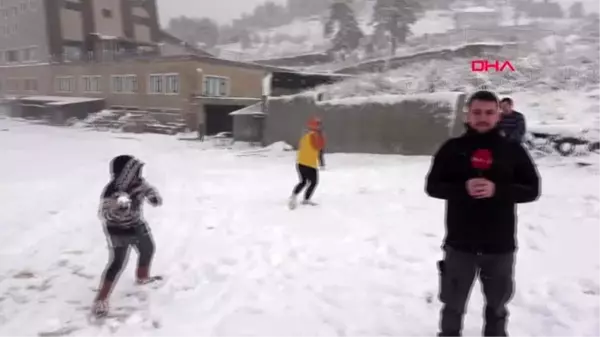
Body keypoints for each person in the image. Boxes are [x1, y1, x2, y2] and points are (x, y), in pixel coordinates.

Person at [425, 90, 541, 337]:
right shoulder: (452, 148)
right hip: (459, 245)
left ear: (498, 114)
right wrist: (462, 188)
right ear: (467, 114)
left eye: (489, 112)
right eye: (477, 112)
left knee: (497, 307)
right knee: (453, 306)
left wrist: (498, 190)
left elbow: (532, 189)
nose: (483, 118)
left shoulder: (513, 150)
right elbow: (432, 186)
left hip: (500, 245)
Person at [92, 155, 163, 317]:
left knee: (148, 249)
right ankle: (101, 298)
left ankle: (142, 276)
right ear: (125, 173)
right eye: (136, 172)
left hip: (137, 224)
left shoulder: (139, 183)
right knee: (117, 263)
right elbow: (104, 214)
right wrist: (118, 209)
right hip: (118, 230)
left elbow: (147, 189)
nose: (139, 175)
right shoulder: (112, 192)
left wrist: (153, 196)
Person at [289, 117, 325, 209]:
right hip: (310, 164)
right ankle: (306, 199)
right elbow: (319, 147)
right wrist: (321, 162)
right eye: (319, 125)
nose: (320, 127)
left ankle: (294, 195)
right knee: (314, 182)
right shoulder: (314, 136)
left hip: (300, 163)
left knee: (303, 182)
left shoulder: (305, 136)